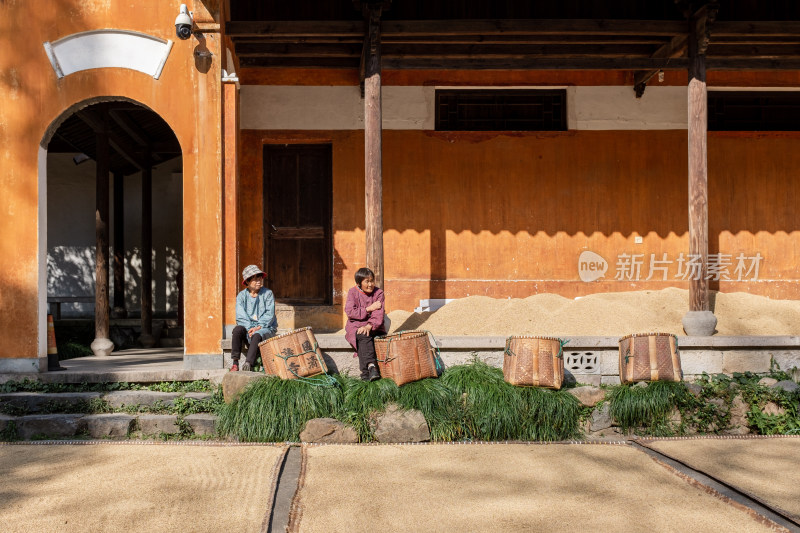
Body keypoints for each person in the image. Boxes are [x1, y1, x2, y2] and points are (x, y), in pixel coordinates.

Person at [231, 264, 277, 371]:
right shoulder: (241, 296)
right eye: (255, 278)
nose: (259, 280)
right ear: (247, 281)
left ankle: (248, 363)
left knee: (257, 334)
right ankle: (235, 363)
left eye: (260, 277)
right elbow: (240, 316)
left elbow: (269, 314)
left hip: (264, 328)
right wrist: (249, 328)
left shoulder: (268, 294)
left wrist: (258, 327)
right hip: (248, 329)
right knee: (237, 330)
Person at [344, 267, 385, 381]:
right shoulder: (352, 292)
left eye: (372, 280)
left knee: (363, 334)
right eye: (367, 281)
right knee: (361, 334)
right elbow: (350, 312)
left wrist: (369, 325)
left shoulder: (379, 293)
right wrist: (368, 308)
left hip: (374, 325)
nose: (370, 284)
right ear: (359, 283)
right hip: (355, 324)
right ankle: (371, 368)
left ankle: (366, 373)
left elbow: (378, 313)